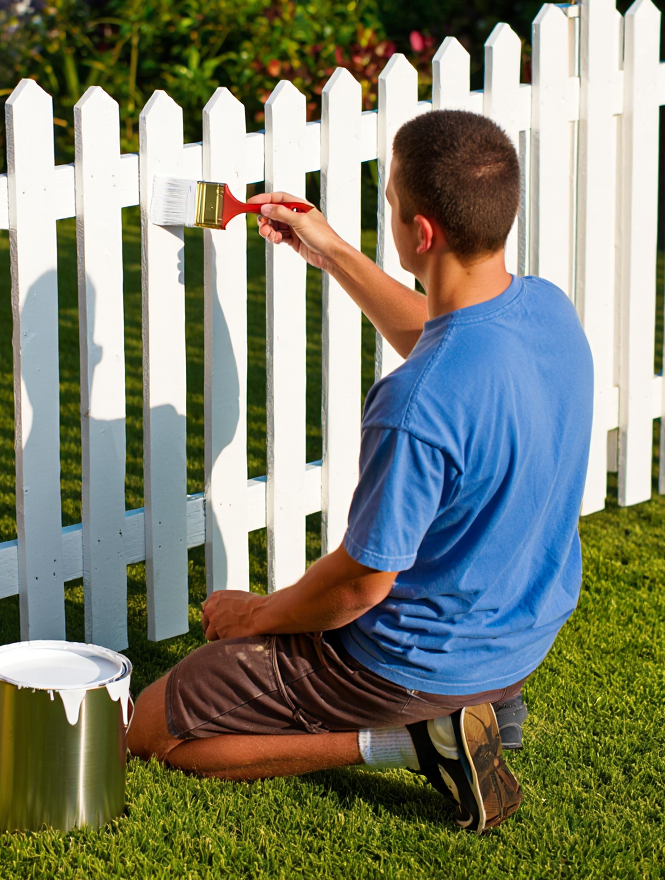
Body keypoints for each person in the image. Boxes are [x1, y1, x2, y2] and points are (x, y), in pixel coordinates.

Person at [127, 109, 594, 834]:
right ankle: (476, 712)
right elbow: (439, 335)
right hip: (514, 642)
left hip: (406, 666)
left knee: (155, 731)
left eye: (392, 205)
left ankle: (407, 741)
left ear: (422, 234)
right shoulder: (546, 312)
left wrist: (256, 613)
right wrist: (331, 251)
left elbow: (357, 585)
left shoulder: (414, 405)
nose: (390, 216)